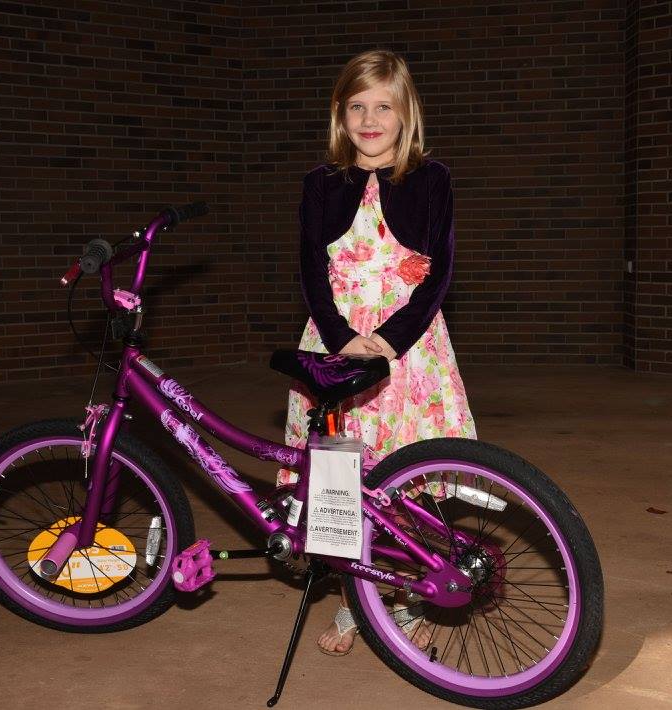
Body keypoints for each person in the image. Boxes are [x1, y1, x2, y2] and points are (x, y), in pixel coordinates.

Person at [274, 49, 477, 656]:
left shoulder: (432, 180)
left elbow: (439, 274)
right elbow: (311, 270)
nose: (369, 120)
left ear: (405, 112)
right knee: (339, 482)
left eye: (383, 107)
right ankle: (353, 602)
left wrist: (389, 340)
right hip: (335, 342)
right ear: (340, 114)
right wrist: (340, 337)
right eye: (357, 106)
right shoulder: (321, 183)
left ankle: (409, 598)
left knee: (406, 482)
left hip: (406, 349)